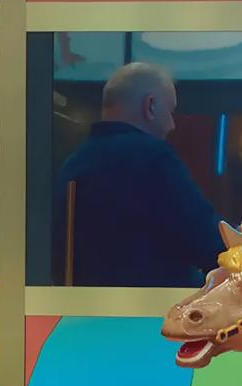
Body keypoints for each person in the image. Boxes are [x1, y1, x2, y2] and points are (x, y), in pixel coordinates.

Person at [55, 62, 224, 287]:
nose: (172, 125)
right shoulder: (154, 158)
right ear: (150, 106)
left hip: (77, 304)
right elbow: (207, 240)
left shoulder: (73, 163)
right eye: (170, 112)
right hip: (153, 305)